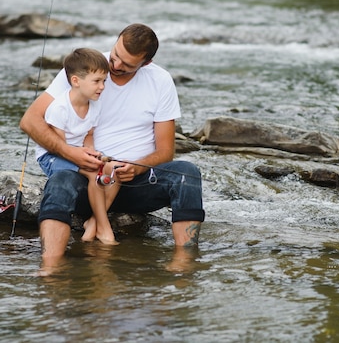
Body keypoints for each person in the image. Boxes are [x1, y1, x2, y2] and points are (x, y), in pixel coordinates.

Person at [20, 23, 205, 269]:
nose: (115, 66)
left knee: (186, 174)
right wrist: (70, 153)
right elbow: (30, 121)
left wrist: (137, 169)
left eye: (127, 65)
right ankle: (51, 266)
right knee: (61, 182)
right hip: (85, 180)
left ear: (145, 64)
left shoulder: (160, 81)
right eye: (115, 55)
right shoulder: (87, 67)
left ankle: (183, 263)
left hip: (132, 183)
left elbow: (165, 151)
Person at [34, 48, 119, 245]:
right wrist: (87, 159)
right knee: (93, 173)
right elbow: (59, 147)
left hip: (76, 153)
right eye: (97, 81)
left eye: (104, 81)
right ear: (75, 81)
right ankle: (104, 228)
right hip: (53, 156)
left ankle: (93, 223)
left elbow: (88, 137)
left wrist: (93, 152)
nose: (102, 87)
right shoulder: (60, 108)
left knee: (114, 170)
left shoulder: (94, 105)